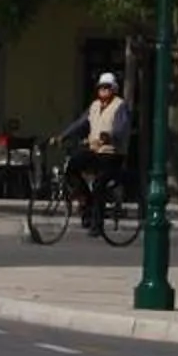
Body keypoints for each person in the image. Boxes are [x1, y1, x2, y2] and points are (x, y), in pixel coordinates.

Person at [57, 73, 131, 236]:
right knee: (71, 167)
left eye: (107, 87)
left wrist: (110, 137)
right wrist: (63, 136)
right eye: (101, 87)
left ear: (114, 89)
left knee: (99, 184)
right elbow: (80, 123)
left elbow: (122, 128)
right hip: (94, 151)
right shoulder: (95, 106)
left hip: (112, 154)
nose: (103, 90)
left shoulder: (120, 106)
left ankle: (97, 224)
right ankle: (86, 200)